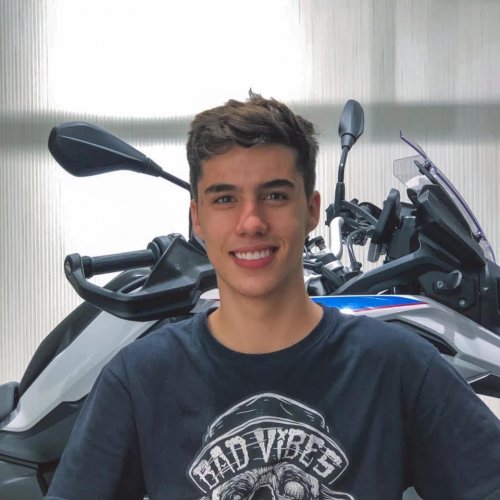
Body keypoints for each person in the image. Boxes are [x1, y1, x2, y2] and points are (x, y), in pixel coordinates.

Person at [46, 92, 500, 500]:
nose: (251, 222)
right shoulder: (140, 379)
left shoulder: (397, 367)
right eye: (225, 199)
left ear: (311, 210)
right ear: (197, 218)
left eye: (275, 195)